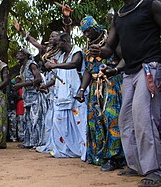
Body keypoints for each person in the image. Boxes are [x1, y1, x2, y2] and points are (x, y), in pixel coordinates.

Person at [89, 0, 161, 186]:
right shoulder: (119, 14)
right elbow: (109, 48)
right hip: (129, 71)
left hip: (149, 67)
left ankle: (155, 169)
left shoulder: (150, 4)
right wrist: (99, 51)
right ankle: (136, 164)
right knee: (125, 119)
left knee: (143, 116)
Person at [76, 16, 125, 171]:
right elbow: (87, 71)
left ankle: (114, 157)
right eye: (84, 32)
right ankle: (98, 155)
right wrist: (82, 90)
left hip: (111, 83)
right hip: (95, 88)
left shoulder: (111, 41)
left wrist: (113, 70)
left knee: (111, 119)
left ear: (96, 27)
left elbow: (123, 58)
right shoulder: (88, 47)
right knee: (94, 120)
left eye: (89, 30)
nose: (86, 34)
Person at [44, 33, 87, 160]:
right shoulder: (62, 56)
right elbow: (58, 75)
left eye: (58, 44)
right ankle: (64, 150)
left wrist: (54, 65)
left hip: (76, 94)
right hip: (62, 96)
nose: (56, 47)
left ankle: (82, 150)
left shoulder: (77, 51)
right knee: (60, 123)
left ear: (64, 41)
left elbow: (74, 64)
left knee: (79, 124)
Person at [14, 48, 43, 148]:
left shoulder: (32, 64)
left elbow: (38, 79)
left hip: (34, 95)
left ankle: (36, 143)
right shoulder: (22, 68)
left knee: (35, 119)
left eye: (20, 53)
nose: (18, 54)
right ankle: (28, 142)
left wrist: (21, 84)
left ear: (26, 55)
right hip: (27, 97)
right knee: (27, 120)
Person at [15, 76, 24, 142]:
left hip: (24, 107)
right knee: (20, 123)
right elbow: (16, 97)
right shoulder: (17, 89)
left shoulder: (24, 88)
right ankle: (20, 137)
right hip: (19, 107)